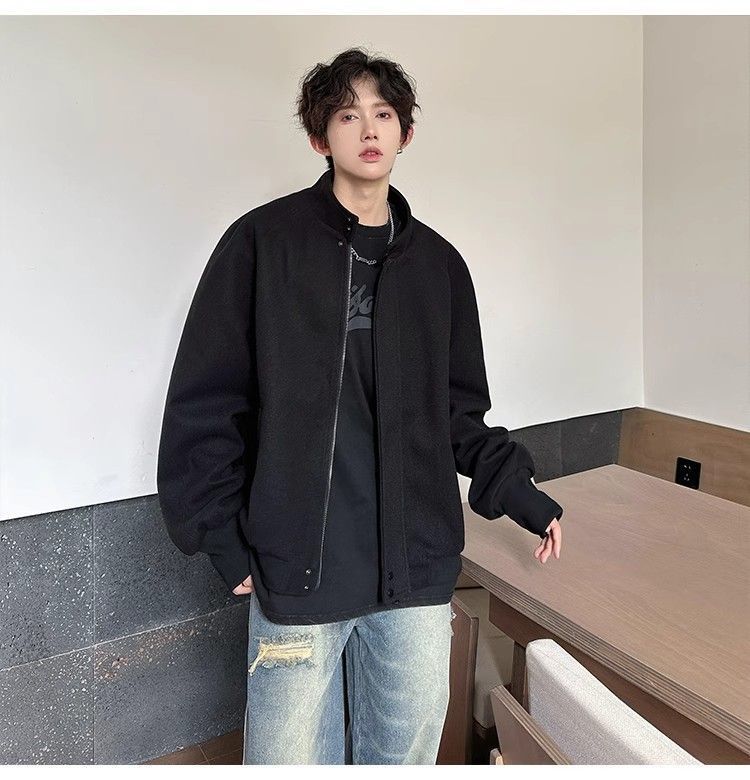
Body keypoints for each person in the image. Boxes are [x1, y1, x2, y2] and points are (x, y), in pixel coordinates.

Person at [156, 47, 563, 765]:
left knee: (403, 759)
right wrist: (222, 537)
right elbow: (206, 401)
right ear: (321, 138)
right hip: (297, 568)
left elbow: (457, 413)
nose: (369, 129)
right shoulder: (262, 244)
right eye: (348, 116)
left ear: (406, 132)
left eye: (383, 114)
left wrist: (521, 492)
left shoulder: (439, 266)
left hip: (414, 571)